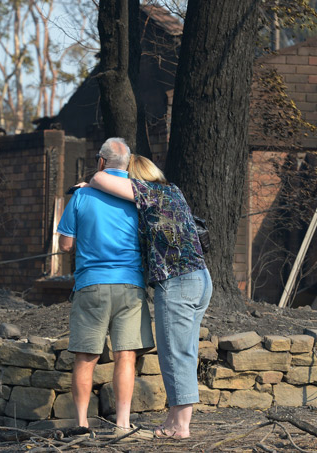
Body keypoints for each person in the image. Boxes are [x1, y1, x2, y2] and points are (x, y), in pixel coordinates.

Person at [88, 154, 212, 440]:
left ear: (135, 177)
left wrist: (92, 180)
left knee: (173, 353)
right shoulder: (172, 191)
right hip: (201, 278)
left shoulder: (148, 191)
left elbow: (99, 178)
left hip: (177, 281)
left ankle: (181, 426)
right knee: (185, 350)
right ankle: (175, 417)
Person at [57, 138, 154, 434]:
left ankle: (82, 424)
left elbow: (65, 245)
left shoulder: (81, 196)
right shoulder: (138, 196)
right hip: (130, 285)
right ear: (128, 165)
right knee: (126, 355)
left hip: (92, 286)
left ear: (101, 162)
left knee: (86, 358)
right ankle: (123, 424)